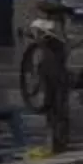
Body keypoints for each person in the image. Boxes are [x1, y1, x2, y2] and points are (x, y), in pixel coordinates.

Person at [18, 14, 74, 152]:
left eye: (37, 32)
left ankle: (59, 142)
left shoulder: (54, 45)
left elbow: (51, 66)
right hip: (50, 82)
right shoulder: (44, 46)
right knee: (52, 113)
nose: (35, 34)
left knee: (58, 111)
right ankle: (54, 142)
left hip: (57, 81)